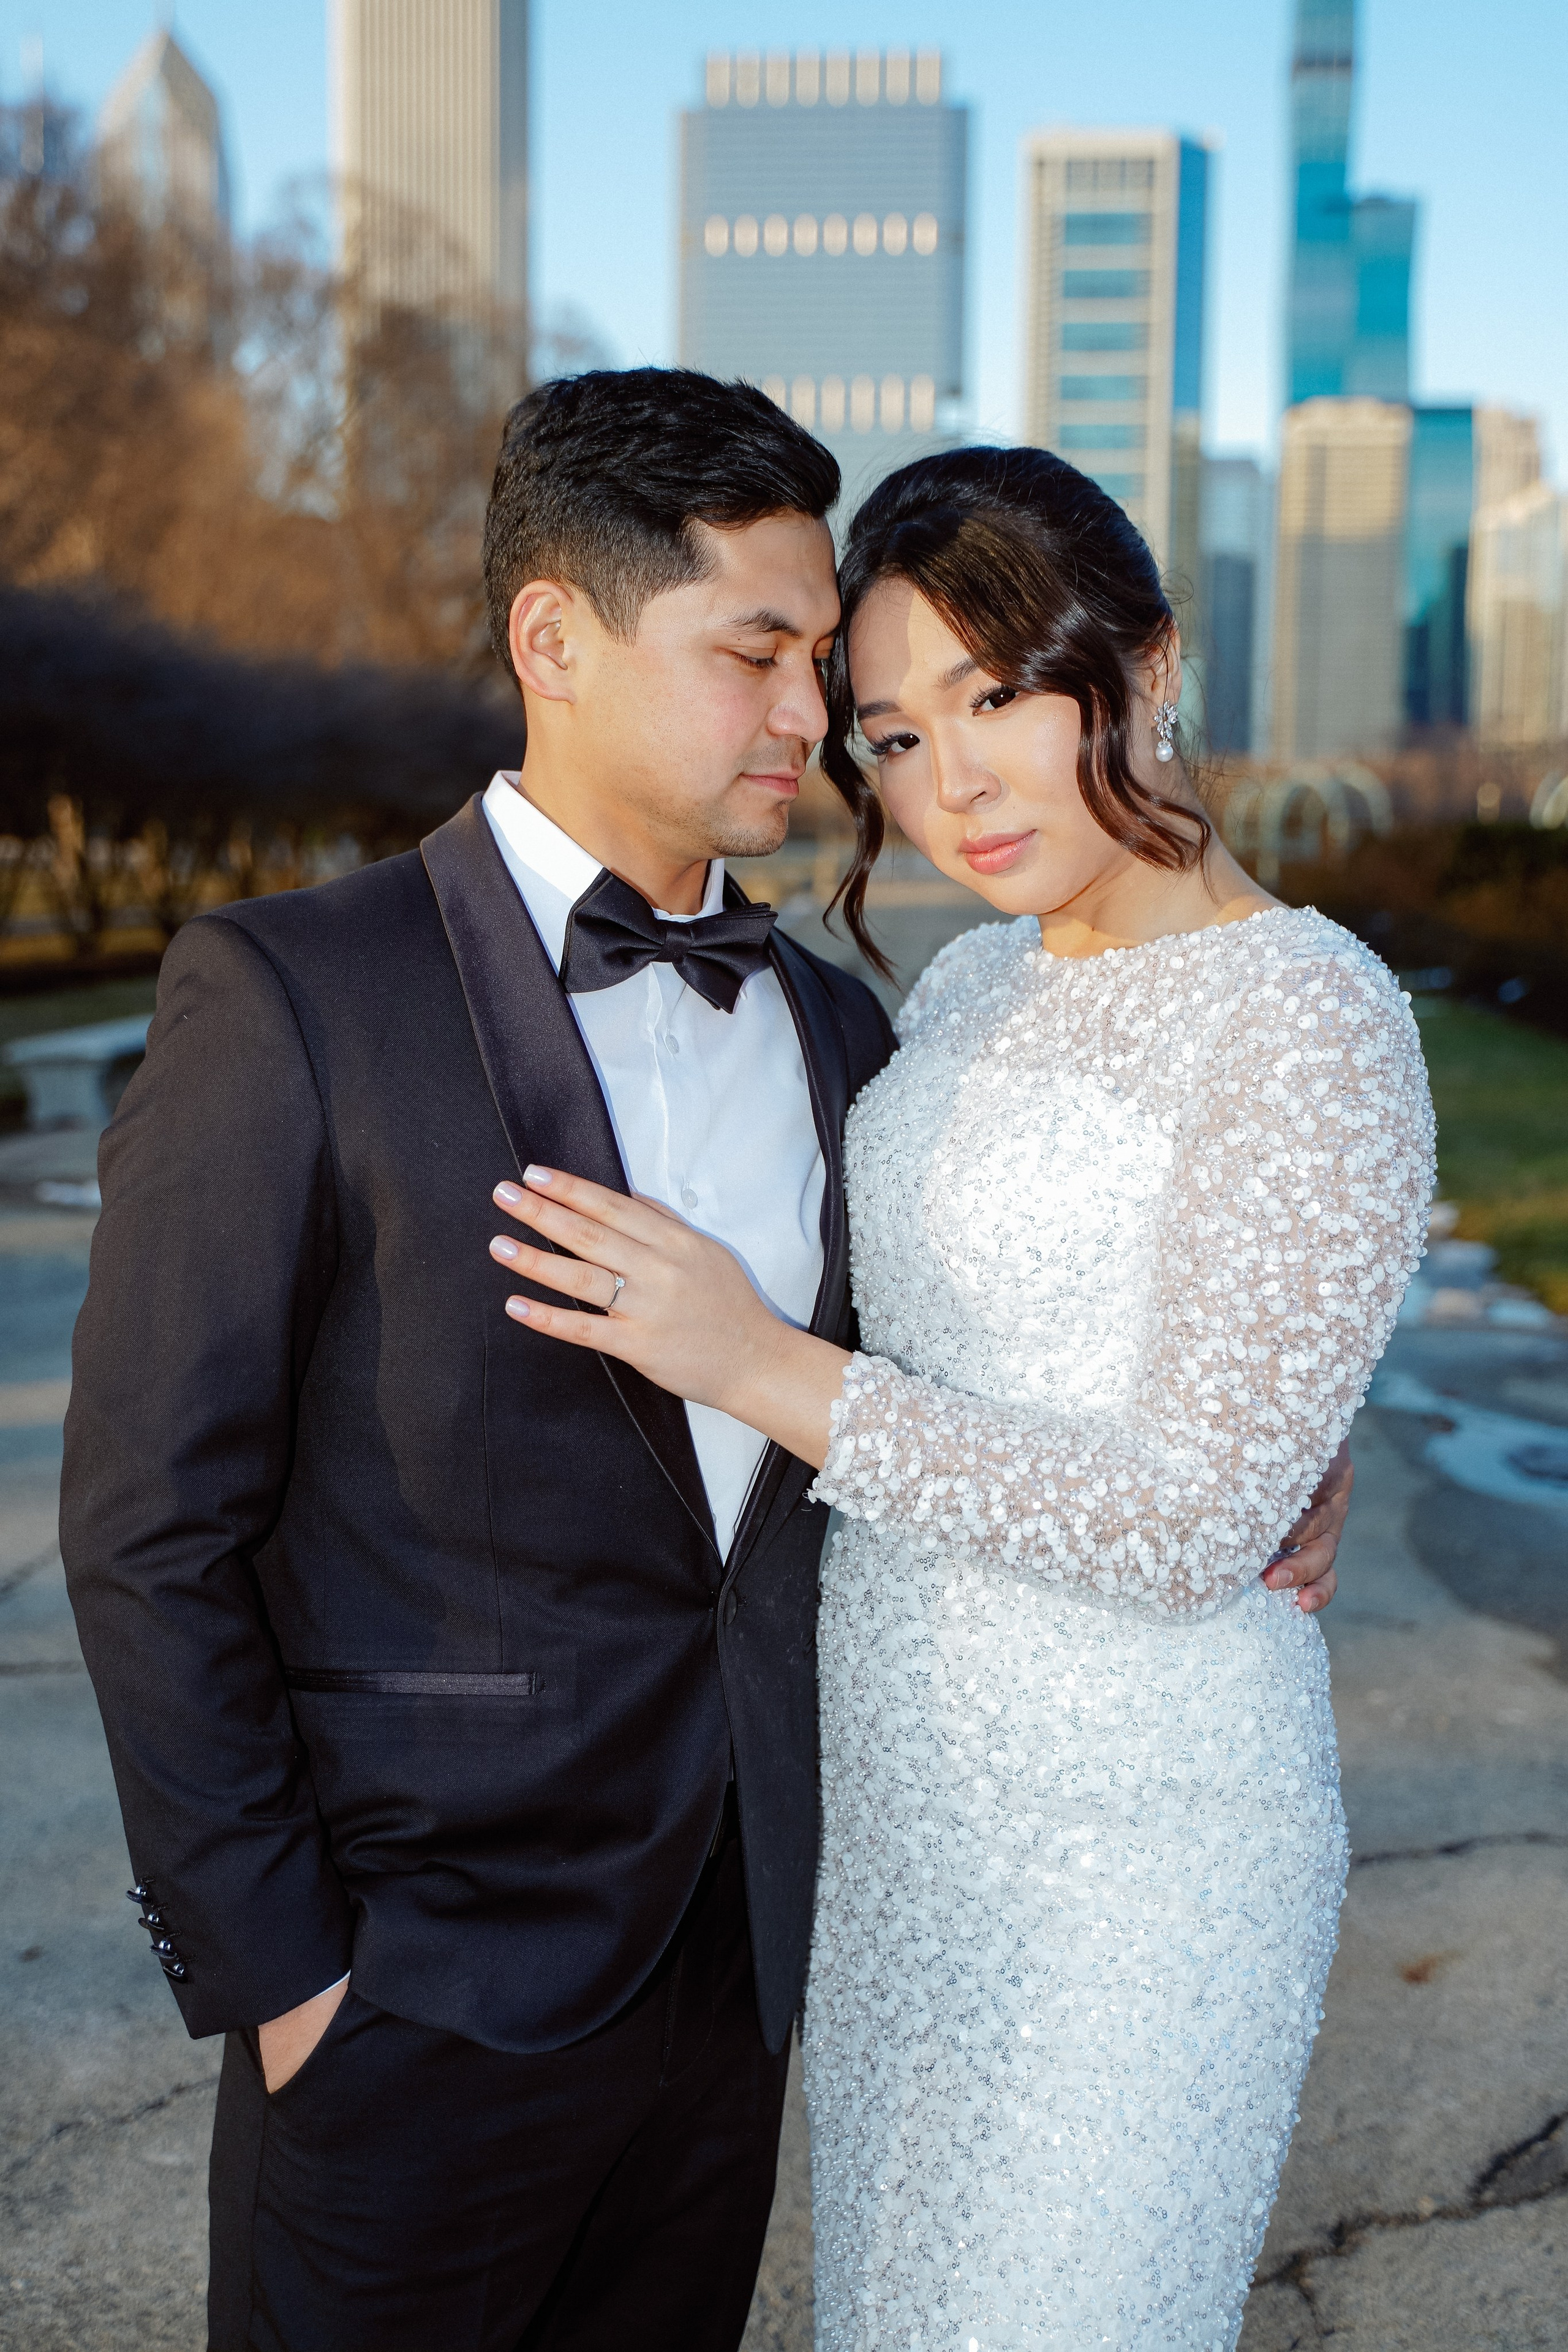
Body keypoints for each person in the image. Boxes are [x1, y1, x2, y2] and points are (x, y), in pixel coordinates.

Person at [62, 382, 1345, 2352]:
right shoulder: (292, 997)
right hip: (415, 2001)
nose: (816, 729)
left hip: (756, 1972)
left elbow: (1029, 1333)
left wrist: (1276, 1449)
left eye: (829, 672)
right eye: (763, 658)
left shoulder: (854, 1030)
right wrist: (289, 1981)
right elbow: (152, 1527)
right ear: (554, 641)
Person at [481, 445, 1430, 2351]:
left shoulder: (1311, 1012)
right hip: (902, 1826)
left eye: (998, 698)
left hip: (1140, 1841)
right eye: (894, 737)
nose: (951, 785)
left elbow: (1181, 1526)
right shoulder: (975, 992)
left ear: (1145, 666)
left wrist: (759, 1361)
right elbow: (992, 1346)